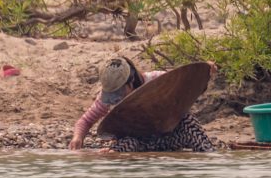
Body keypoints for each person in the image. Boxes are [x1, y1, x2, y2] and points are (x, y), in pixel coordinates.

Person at [68, 56, 216, 153]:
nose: (116, 98)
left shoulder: (156, 81)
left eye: (119, 92)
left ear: (130, 83)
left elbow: (184, 80)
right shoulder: (105, 98)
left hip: (169, 138)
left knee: (188, 122)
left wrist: (206, 69)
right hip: (138, 143)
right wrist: (77, 138)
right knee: (119, 149)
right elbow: (85, 121)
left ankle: (208, 154)